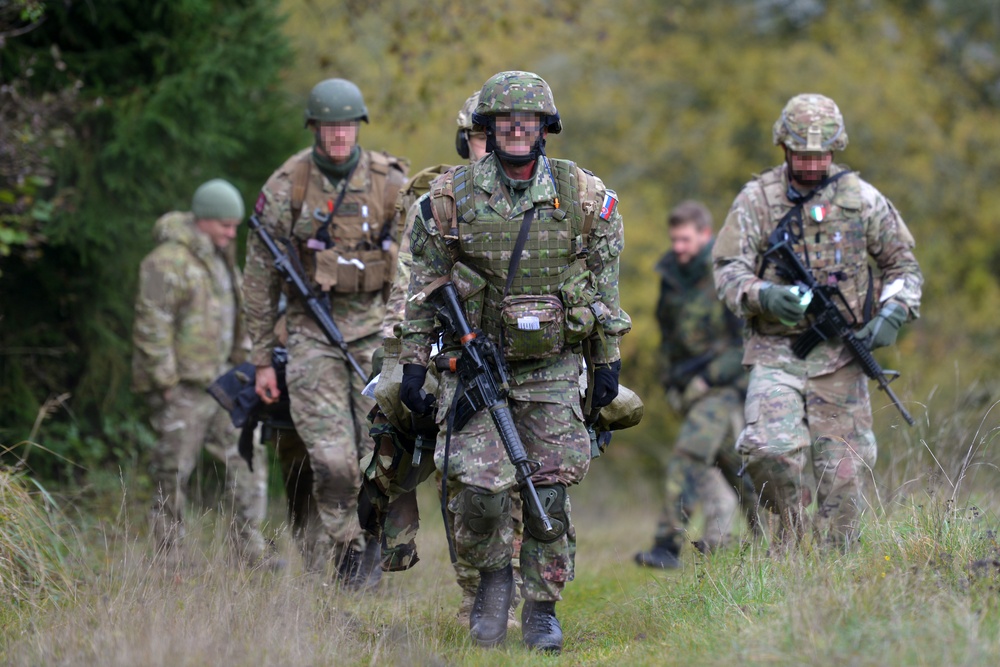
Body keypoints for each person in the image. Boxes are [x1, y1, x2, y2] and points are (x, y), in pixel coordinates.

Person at [397, 71, 631, 652]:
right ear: (490, 129)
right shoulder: (449, 200)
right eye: (506, 123)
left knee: (547, 488)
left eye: (528, 122)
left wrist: (606, 363)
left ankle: (542, 610)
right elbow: (424, 290)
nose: (517, 131)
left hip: (551, 366)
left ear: (545, 128)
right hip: (476, 364)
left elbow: (603, 290)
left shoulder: (581, 197)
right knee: (479, 489)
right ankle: (492, 584)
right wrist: (410, 365)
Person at [713, 93, 923, 550]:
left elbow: (904, 266)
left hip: (842, 359)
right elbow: (727, 269)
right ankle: (789, 530)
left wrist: (893, 311)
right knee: (767, 450)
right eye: (802, 155)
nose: (811, 165)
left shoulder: (861, 200)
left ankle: (835, 576)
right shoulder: (757, 200)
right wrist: (763, 295)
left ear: (836, 150)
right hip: (776, 353)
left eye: (821, 155)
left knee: (844, 479)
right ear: (784, 149)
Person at [242, 77, 408, 585]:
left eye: (347, 126)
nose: (339, 136)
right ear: (315, 127)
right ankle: (348, 550)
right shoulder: (286, 186)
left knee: (377, 454)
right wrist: (264, 360)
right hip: (310, 336)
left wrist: (400, 336)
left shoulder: (388, 183)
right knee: (333, 461)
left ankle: (371, 538)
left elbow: (416, 267)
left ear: (358, 127)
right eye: (330, 126)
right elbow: (259, 279)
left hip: (376, 338)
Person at [369, 91, 525, 627]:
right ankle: (469, 591)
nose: (490, 147)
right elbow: (409, 290)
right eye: (481, 136)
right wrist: (413, 355)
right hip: (453, 358)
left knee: (529, 474)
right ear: (467, 140)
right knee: (455, 475)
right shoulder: (437, 205)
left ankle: (524, 590)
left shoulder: (539, 196)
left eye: (499, 134)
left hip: (531, 356)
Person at [132, 178, 270, 567]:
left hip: (225, 383)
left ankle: (249, 549)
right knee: (172, 470)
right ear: (204, 220)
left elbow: (239, 313)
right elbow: (151, 325)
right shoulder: (166, 262)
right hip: (184, 390)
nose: (231, 233)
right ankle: (169, 556)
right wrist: (166, 384)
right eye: (225, 225)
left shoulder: (218, 258)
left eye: (234, 226)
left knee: (248, 454)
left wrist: (246, 365)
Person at [635, 200, 760, 569]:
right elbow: (668, 337)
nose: (679, 247)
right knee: (742, 471)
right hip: (689, 386)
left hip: (724, 386)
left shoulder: (726, 275)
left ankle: (667, 544)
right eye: (675, 239)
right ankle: (785, 537)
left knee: (690, 453)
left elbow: (745, 341)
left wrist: (707, 378)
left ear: (706, 235)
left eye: (686, 239)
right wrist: (673, 384)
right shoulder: (672, 275)